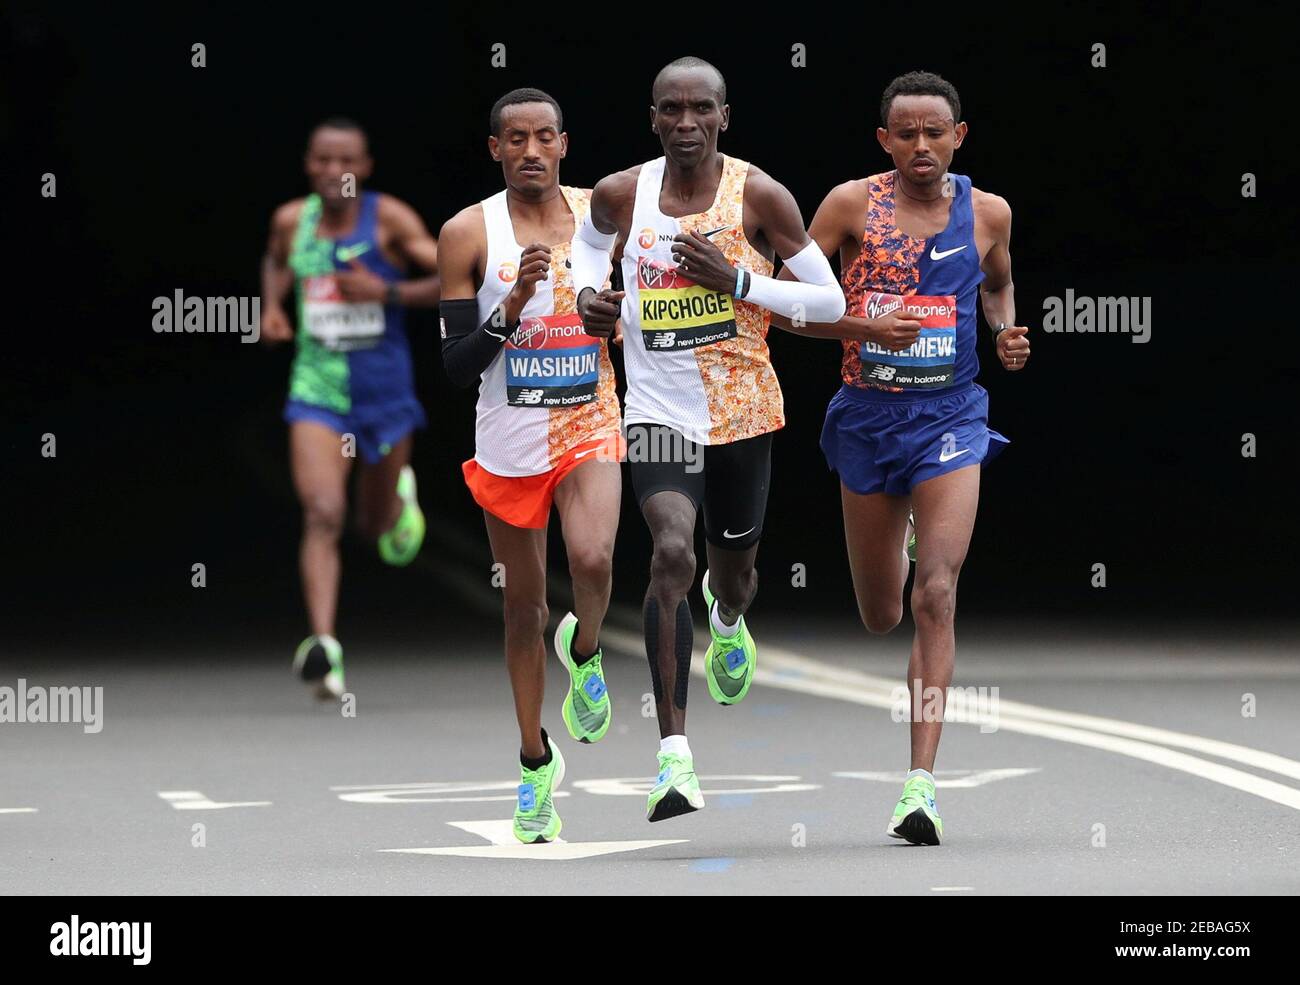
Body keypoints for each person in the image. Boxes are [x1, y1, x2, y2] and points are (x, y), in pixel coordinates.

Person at [572, 57, 846, 822]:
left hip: (742, 413)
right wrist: (592, 295)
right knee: (670, 554)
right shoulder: (621, 193)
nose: (686, 123)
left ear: (726, 115)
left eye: (701, 109)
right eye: (671, 110)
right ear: (652, 117)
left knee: (731, 576)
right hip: (657, 413)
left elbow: (829, 300)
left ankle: (728, 622)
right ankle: (674, 759)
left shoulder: (760, 195)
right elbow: (588, 251)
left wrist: (740, 283)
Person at [770, 71, 1031, 844]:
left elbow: (1000, 286)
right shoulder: (849, 206)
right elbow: (787, 307)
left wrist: (1005, 332)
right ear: (885, 140)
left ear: (960, 135)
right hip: (867, 418)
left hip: (951, 415)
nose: (922, 145)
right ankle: (906, 532)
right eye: (906, 133)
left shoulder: (989, 213)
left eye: (935, 131)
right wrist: (860, 333)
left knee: (936, 594)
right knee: (882, 613)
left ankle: (919, 786)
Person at [437, 89, 623, 843]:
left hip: (590, 419)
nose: (531, 151)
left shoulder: (602, 215)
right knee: (523, 610)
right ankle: (534, 762)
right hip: (509, 439)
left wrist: (615, 315)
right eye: (515, 139)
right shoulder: (464, 232)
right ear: (495, 149)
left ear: (565, 144)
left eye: (544, 137)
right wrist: (508, 307)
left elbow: (638, 310)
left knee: (595, 557)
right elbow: (454, 366)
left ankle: (586, 650)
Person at [261, 117, 441, 700]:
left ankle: (398, 505)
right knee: (321, 512)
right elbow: (277, 261)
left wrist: (385, 292)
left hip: (385, 395)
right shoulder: (293, 221)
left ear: (364, 167)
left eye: (345, 160)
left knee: (373, 524)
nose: (332, 170)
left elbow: (453, 278)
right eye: (321, 159)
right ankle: (325, 647)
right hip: (318, 392)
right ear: (308, 164)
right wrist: (273, 308)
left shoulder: (389, 220)